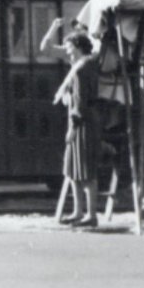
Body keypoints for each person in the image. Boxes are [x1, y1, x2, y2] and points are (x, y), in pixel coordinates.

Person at [53, 32, 102, 229]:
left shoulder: (82, 69)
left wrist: (73, 128)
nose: (67, 50)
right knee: (73, 168)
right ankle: (79, 211)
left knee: (84, 169)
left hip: (83, 123)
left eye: (69, 46)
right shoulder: (85, 66)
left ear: (78, 46)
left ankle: (89, 214)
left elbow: (80, 103)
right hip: (84, 121)